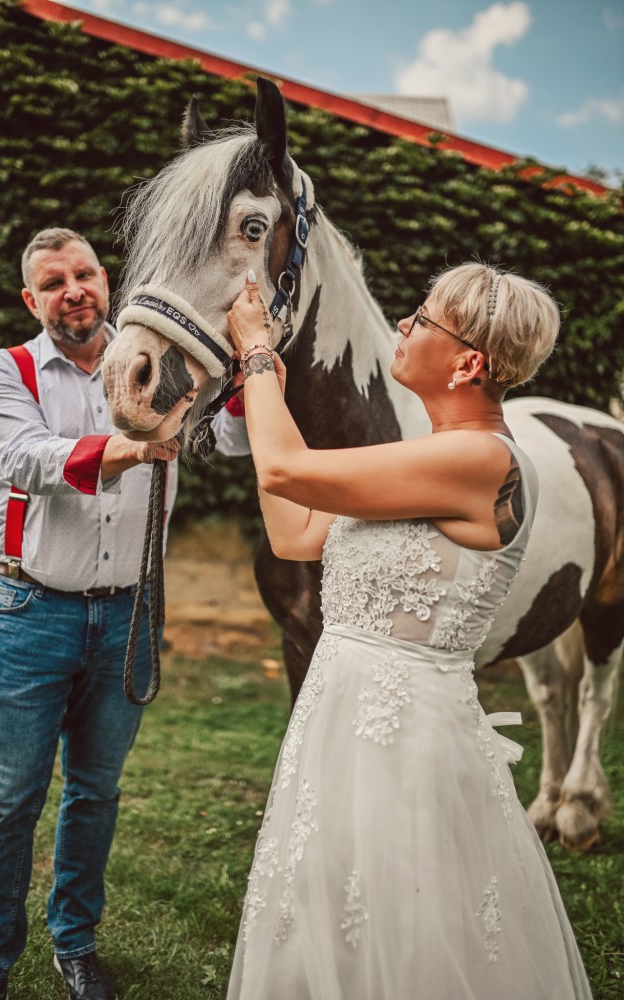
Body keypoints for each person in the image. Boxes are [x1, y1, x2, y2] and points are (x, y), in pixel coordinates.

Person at [223, 263, 592, 1000]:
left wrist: (258, 353)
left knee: (408, 930)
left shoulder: (481, 458)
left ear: (468, 362)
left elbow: (285, 469)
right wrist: (264, 410)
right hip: (338, 719)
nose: (402, 325)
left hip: (405, 742)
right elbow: (295, 531)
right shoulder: (422, 456)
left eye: (422, 319)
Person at [0, 228, 181, 1000]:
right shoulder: (6, 369)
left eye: (84, 274)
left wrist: (260, 382)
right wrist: (131, 446)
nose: (73, 290)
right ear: (33, 300)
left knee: (96, 791)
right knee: (4, 806)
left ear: (106, 281)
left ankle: (74, 944)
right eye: (53, 282)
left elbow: (227, 437)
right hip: (29, 611)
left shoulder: (163, 363)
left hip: (130, 615)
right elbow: (24, 458)